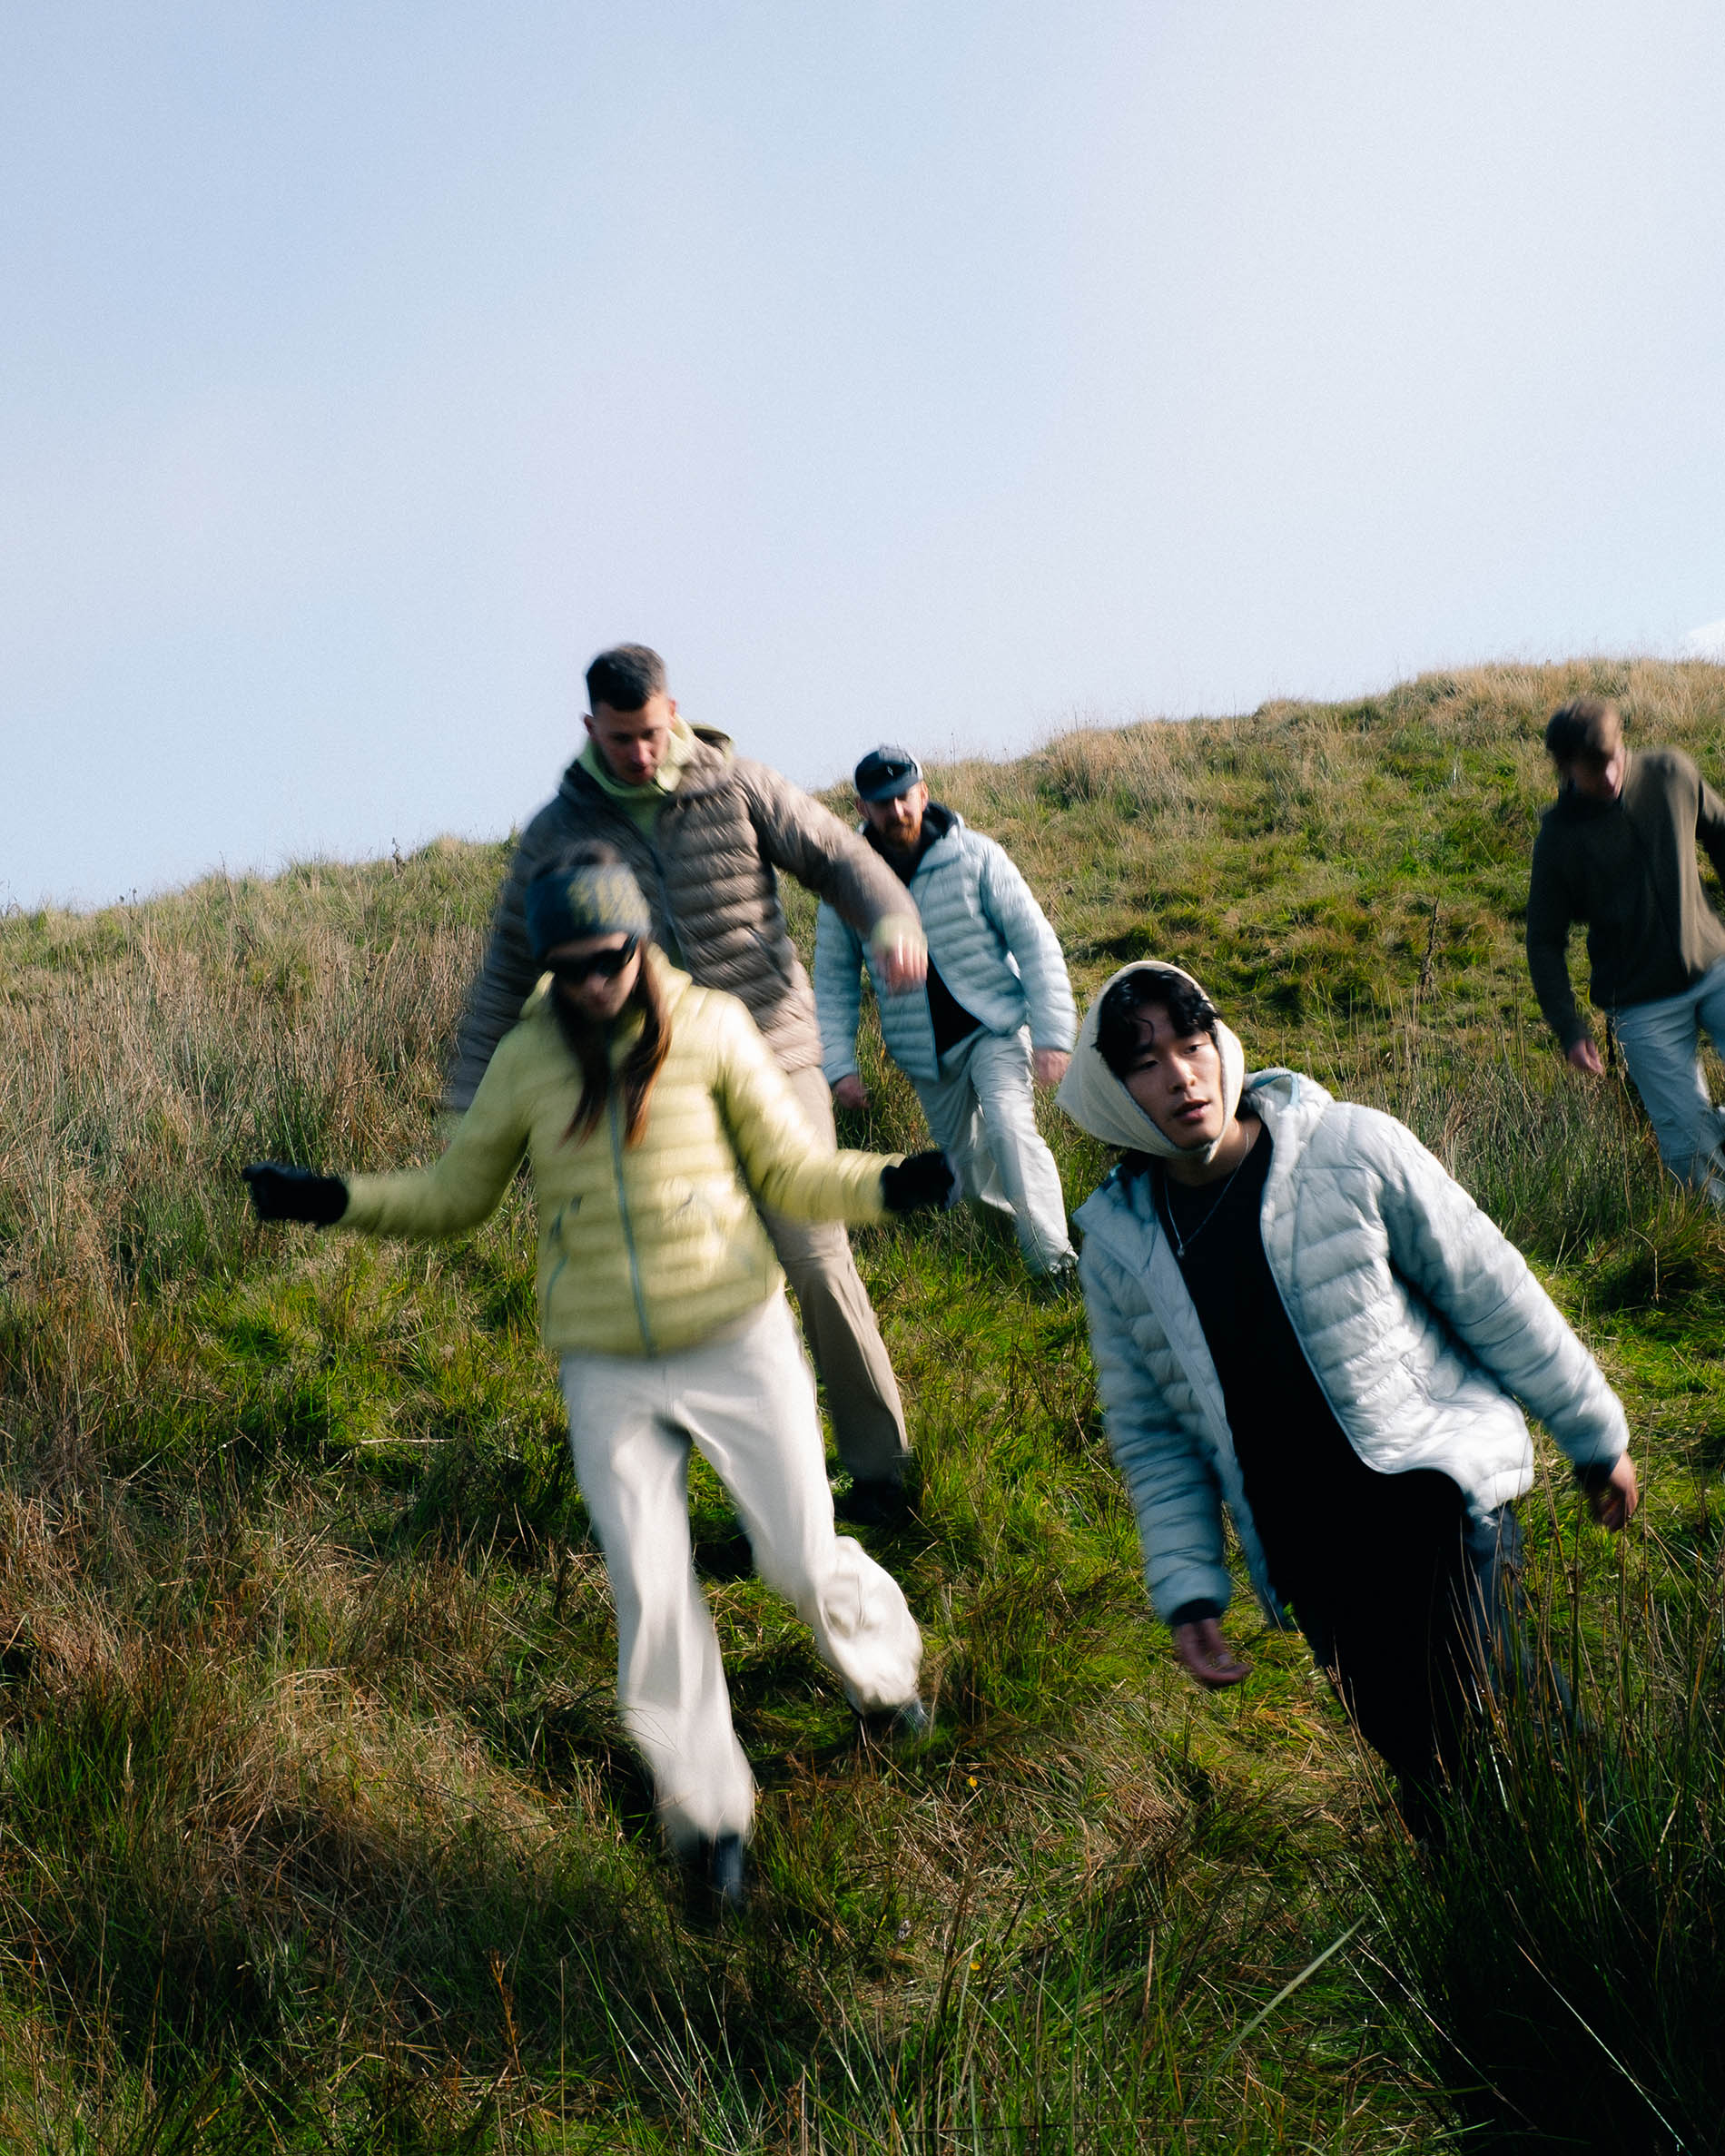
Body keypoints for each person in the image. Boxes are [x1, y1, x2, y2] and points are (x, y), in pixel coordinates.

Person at [244, 852, 955, 1915]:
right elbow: (455, 1196)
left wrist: (891, 1182)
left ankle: (887, 1681)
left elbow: (792, 1170)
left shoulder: (712, 1026)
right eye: (569, 966)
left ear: (640, 943)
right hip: (605, 1365)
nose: (592, 983)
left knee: (798, 1554)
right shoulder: (528, 1058)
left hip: (737, 1337)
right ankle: (707, 1820)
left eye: (610, 958)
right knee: (653, 1593)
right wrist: (329, 1199)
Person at [1057, 960, 1639, 1836]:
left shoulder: (1349, 1147)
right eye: (1146, 1063)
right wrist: (1189, 1588)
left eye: (1193, 1043)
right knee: (1417, 1759)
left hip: (1436, 1500)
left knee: (1506, 1713)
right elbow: (1152, 1435)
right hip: (1310, 1551)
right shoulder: (1119, 1246)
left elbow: (1492, 1292)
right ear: (1110, 1090)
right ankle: (1488, 1915)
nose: (1181, 1076)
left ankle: (1630, 1869)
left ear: (1222, 1044)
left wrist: (1594, 1434)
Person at [448, 645, 931, 1525]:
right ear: (589, 727)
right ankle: (782, 1491)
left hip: (775, 1053)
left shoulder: (738, 784)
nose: (639, 752)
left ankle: (884, 1473)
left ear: (672, 710)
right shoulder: (559, 831)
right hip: (660, 1085)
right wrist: (469, 1104)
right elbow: (508, 969)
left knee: (816, 1257)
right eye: (620, 738)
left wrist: (892, 918)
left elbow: (836, 856)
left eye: (650, 732)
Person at [813, 745, 1079, 1280]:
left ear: (923, 793)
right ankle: (1007, 1250)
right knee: (969, 1167)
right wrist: (839, 1067)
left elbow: (1034, 941)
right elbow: (833, 984)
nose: (897, 811)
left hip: (995, 1028)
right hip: (925, 1054)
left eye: (904, 797)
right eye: (882, 803)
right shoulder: (847, 886)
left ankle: (1054, 1266)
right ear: (862, 808)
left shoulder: (977, 856)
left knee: (1010, 1130)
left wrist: (1053, 1034)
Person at [1526, 695, 1725, 1205]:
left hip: (1716, 968)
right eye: (1594, 770)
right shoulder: (1559, 838)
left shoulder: (1670, 774)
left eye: (1614, 759)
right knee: (1690, 1156)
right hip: (1641, 1007)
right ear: (1566, 768)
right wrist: (1570, 1029)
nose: (1611, 776)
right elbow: (1544, 943)